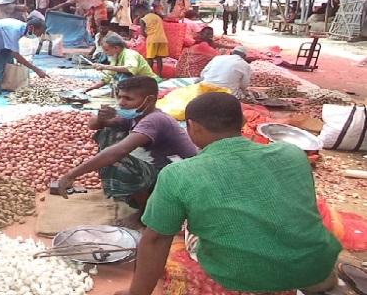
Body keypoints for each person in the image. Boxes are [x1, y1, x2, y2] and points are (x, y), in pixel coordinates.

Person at [114, 93, 341, 295]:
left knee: (186, 230)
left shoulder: (179, 174)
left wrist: (137, 292)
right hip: (316, 266)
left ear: (192, 126)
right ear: (242, 122)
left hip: (242, 278)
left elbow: (155, 241)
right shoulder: (292, 154)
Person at [58, 76, 198, 228]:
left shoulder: (155, 120)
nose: (121, 103)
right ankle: (139, 193)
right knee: (109, 131)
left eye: (128, 98)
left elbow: (118, 152)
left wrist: (72, 174)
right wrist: (99, 117)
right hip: (161, 166)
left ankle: (145, 212)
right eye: (119, 97)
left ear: (149, 100)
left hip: (178, 177)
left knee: (117, 162)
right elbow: (93, 125)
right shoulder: (136, 115)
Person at [84, 36, 157, 93]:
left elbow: (129, 69)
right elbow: (108, 77)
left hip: (147, 83)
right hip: (137, 82)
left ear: (116, 48)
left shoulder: (130, 54)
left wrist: (105, 67)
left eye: (107, 50)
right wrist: (90, 88)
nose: (105, 53)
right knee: (115, 78)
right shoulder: (115, 58)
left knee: (120, 76)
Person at [137, 5, 169, 77]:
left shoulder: (143, 19)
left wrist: (147, 37)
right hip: (162, 39)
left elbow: (142, 33)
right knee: (159, 59)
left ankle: (149, 75)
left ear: (140, 12)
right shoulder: (157, 17)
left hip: (152, 40)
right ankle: (159, 75)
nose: (138, 16)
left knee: (150, 58)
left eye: (138, 14)